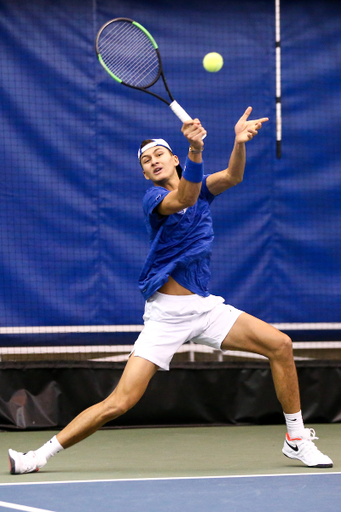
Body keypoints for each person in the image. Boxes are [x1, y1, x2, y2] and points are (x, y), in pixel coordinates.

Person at [8, 107, 332, 474]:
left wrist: (238, 142)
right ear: (146, 173)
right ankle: (37, 457)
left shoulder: (204, 187)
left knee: (281, 345)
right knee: (120, 401)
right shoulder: (153, 200)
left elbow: (234, 176)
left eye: (159, 154)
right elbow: (184, 200)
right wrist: (196, 151)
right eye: (146, 161)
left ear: (173, 159)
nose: (153, 161)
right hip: (166, 316)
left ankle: (296, 439)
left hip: (205, 309)